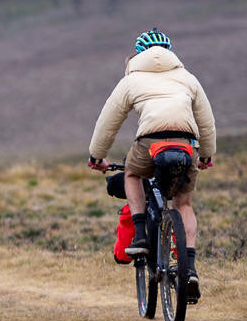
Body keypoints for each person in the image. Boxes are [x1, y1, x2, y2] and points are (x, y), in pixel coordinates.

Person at [88, 29, 215, 303]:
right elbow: (206, 121)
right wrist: (206, 155)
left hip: (150, 143)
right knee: (184, 204)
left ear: (138, 54)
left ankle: (142, 235)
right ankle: (189, 268)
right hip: (186, 143)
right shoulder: (187, 78)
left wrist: (97, 156)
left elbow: (108, 122)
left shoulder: (132, 80)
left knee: (132, 175)